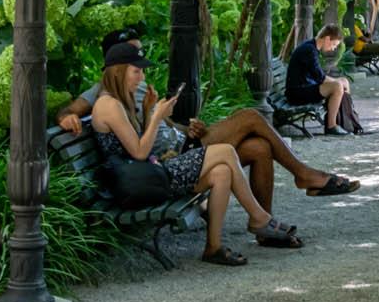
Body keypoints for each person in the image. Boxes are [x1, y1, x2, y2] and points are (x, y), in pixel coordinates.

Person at [58, 29, 360, 200]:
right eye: (132, 57)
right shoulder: (102, 93)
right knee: (250, 116)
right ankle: (303, 174)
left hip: (183, 141)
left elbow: (160, 123)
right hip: (173, 158)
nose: (139, 62)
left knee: (259, 147)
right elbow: (74, 109)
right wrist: (65, 117)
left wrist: (185, 126)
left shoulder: (137, 85)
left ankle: (265, 226)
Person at [88, 39, 303, 266]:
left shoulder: (121, 100)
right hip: (138, 184)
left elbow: (139, 147)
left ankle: (213, 247)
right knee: (226, 152)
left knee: (222, 172)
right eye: (136, 71)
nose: (141, 77)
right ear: (118, 72)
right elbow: (140, 153)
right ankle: (258, 218)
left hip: (147, 176)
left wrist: (149, 110)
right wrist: (157, 117)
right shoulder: (108, 105)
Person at [287, 24, 364, 135]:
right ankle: (331, 126)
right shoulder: (309, 50)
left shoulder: (311, 48)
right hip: (297, 93)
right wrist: (338, 83)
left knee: (343, 81)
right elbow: (320, 78)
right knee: (337, 86)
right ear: (327, 39)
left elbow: (319, 76)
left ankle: (345, 120)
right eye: (334, 44)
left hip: (305, 88)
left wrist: (340, 82)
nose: (333, 48)